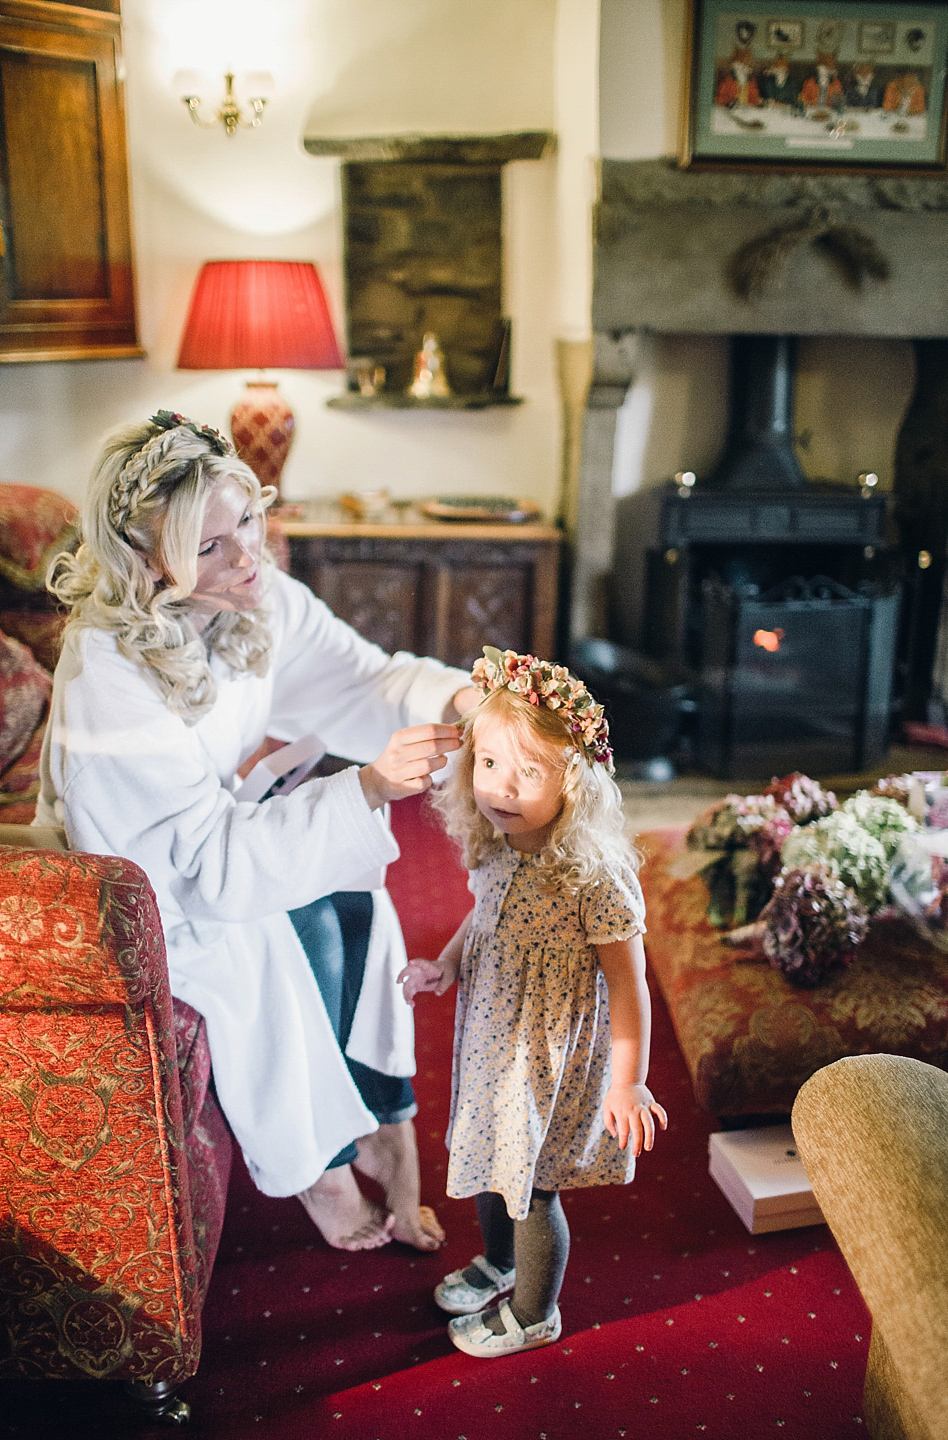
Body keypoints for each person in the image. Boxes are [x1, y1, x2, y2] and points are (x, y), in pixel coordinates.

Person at [39, 410, 478, 1253]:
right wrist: (372, 786)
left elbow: (364, 678)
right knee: (275, 938)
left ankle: (384, 1119)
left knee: (357, 897)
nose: (248, 555)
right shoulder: (108, 674)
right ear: (143, 559)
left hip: (221, 836)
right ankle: (318, 1164)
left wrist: (464, 701)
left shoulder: (251, 593)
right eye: (209, 546)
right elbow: (199, 868)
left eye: (247, 519)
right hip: (150, 883)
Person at [399, 647, 667, 1357]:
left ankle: (532, 1311)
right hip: (493, 1036)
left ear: (573, 782)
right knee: (491, 1158)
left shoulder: (595, 875)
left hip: (550, 1056)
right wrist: (447, 964)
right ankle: (501, 1261)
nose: (501, 788)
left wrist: (629, 1080)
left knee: (532, 1186)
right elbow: (481, 916)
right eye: (488, 763)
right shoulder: (497, 844)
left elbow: (630, 982)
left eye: (528, 771)